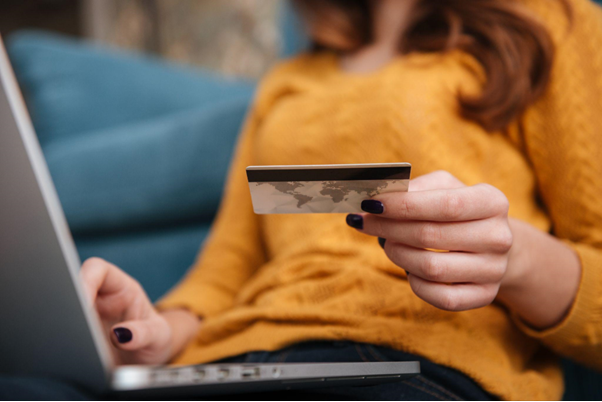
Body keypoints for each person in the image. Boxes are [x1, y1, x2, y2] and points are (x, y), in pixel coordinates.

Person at [4, 0, 602, 400]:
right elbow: (224, 271)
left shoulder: (554, 23)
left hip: (415, 359)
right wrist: (158, 330)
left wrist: (516, 259)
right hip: (234, 359)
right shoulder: (290, 80)